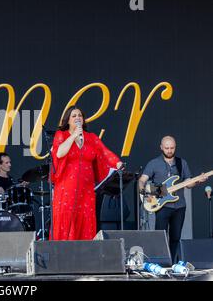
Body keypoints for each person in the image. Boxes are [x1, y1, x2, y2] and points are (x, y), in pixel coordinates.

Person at [50, 106, 122, 240]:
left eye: (80, 115)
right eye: (74, 116)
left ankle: (85, 255)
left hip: (86, 189)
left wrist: (117, 163)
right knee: (68, 219)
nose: (77, 118)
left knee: (86, 218)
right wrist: (73, 136)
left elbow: (105, 152)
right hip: (67, 187)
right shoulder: (62, 135)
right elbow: (59, 153)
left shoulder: (92, 138)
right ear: (68, 120)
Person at [138, 136, 208, 262]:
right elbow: (142, 180)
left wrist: (197, 181)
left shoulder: (182, 163)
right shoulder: (154, 163)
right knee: (161, 236)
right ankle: (160, 262)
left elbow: (188, 183)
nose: (169, 150)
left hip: (179, 205)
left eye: (172, 148)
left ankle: (172, 263)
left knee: (175, 237)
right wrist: (145, 193)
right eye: (167, 148)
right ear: (161, 147)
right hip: (162, 205)